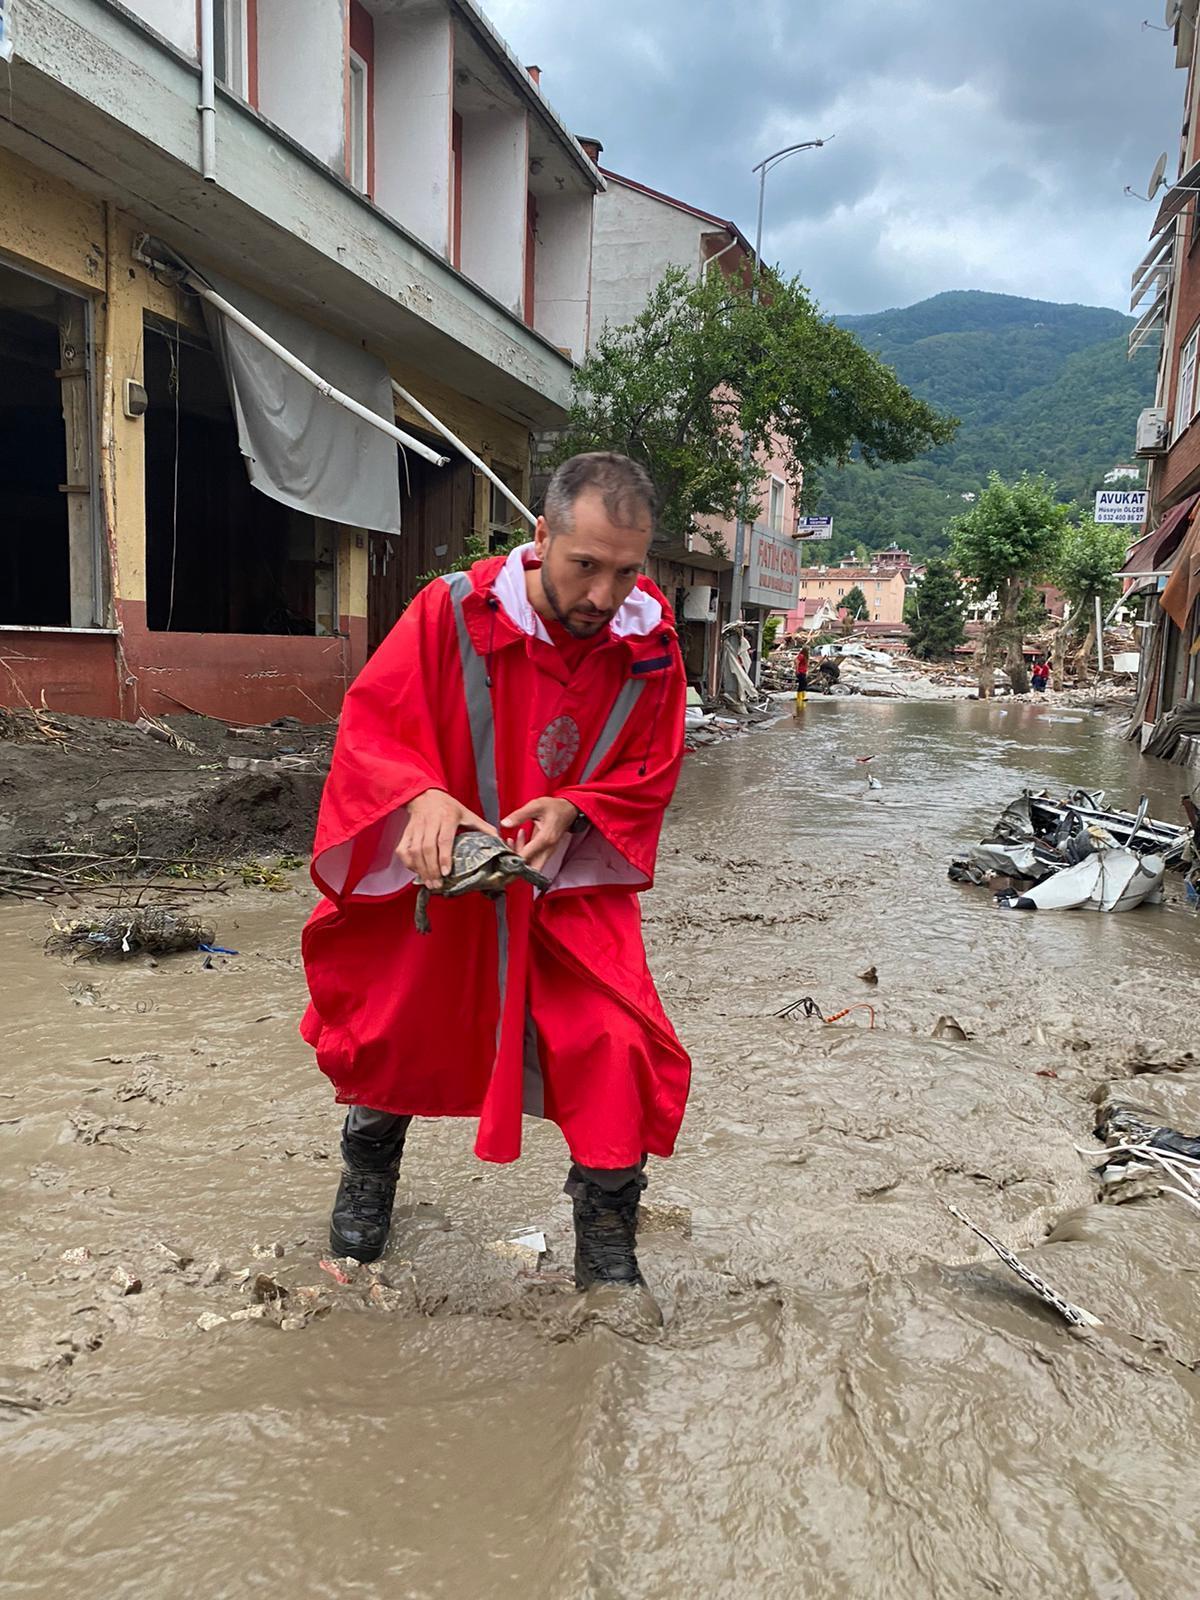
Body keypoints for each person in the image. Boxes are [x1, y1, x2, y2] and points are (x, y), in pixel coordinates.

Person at [300, 452, 690, 1296]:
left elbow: (651, 769)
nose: (601, 597)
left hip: (562, 882)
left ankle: (609, 1247)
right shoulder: (449, 612)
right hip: (443, 874)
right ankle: (369, 1175)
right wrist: (421, 795)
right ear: (541, 535)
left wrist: (575, 808)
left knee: (613, 1043)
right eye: (584, 565)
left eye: (625, 572)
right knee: (397, 1019)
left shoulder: (650, 644)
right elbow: (372, 727)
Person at [794, 644, 809, 710]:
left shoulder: (805, 656)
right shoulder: (801, 655)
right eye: (808, 650)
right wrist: (797, 670)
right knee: (802, 684)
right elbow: (796, 662)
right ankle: (799, 697)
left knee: (804, 683)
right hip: (800, 672)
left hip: (803, 671)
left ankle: (803, 696)